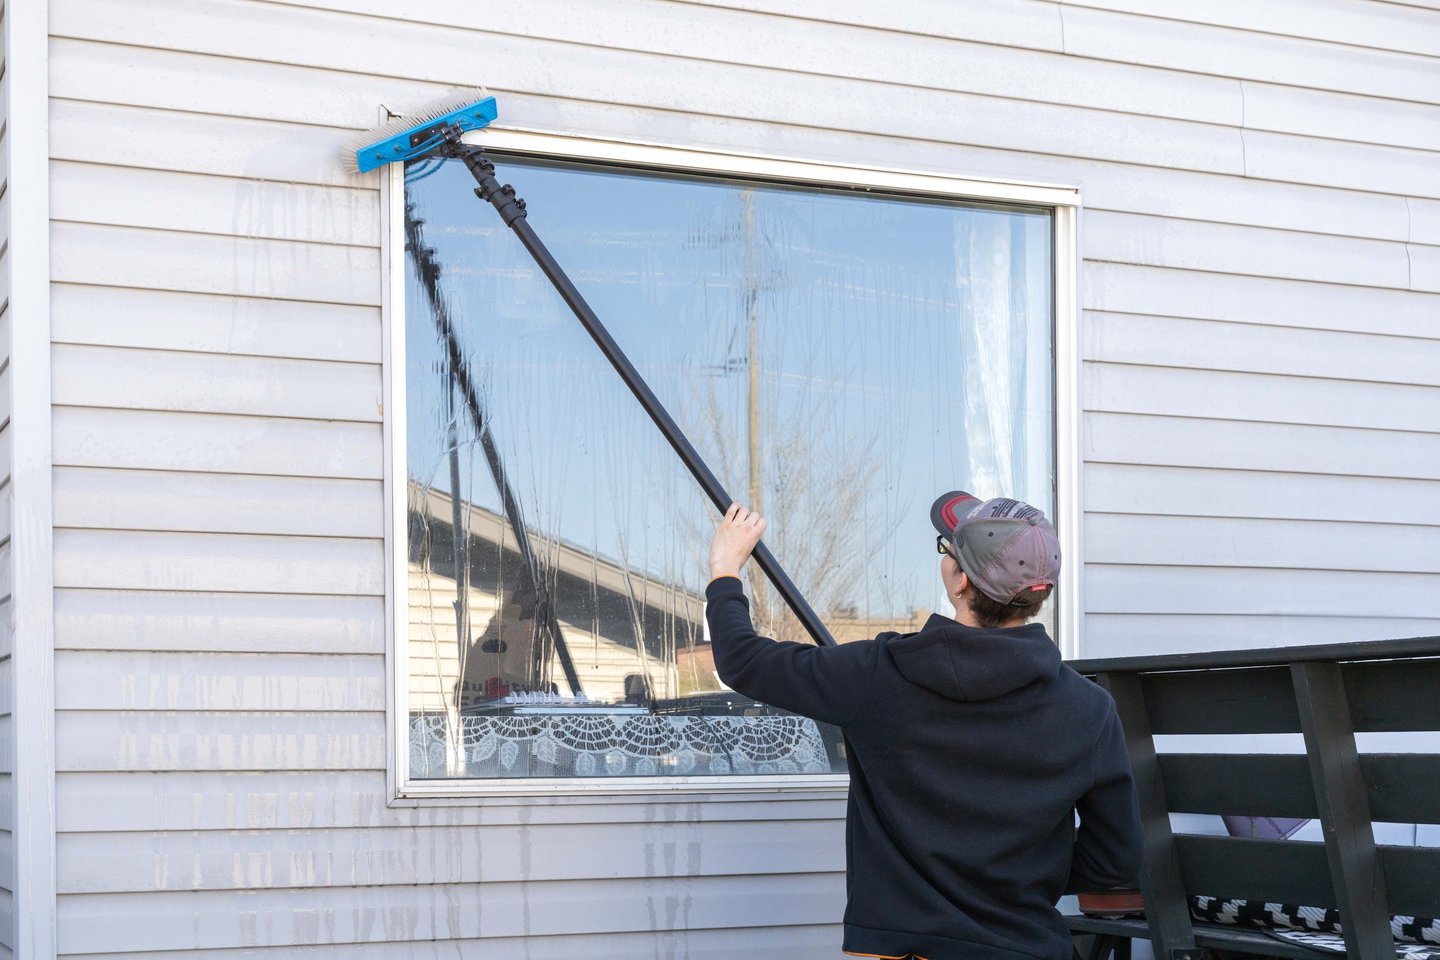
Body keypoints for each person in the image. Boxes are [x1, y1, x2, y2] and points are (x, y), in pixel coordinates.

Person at [705, 492, 1143, 960]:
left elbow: (742, 660)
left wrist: (725, 568)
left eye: (947, 551)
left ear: (959, 581)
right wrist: (1023, 866)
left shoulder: (878, 674)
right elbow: (1111, 874)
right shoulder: (1089, 709)